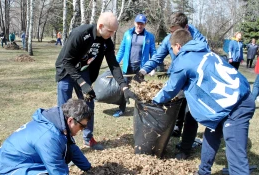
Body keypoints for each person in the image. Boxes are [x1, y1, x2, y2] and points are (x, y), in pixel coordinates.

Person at [153, 29, 255, 175]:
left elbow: (171, 88)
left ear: (178, 46)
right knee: (211, 134)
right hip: (225, 104)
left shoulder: (184, 60)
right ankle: (203, 171)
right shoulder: (206, 52)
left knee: (236, 157)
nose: (173, 52)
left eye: (172, 48)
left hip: (237, 105)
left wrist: (155, 100)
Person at [55, 12, 137, 150]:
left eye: (113, 31)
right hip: (66, 71)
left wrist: (124, 87)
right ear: (100, 26)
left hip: (82, 70)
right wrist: (82, 83)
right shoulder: (80, 34)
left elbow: (113, 64)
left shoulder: (106, 41)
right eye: (110, 31)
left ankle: (88, 138)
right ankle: (62, 140)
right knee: (64, 107)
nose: (112, 34)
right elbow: (67, 62)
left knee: (89, 103)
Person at [134, 12, 209, 159]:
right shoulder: (169, 39)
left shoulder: (199, 40)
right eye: (171, 31)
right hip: (178, 78)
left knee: (190, 113)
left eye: (175, 31)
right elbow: (158, 57)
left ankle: (185, 148)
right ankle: (175, 129)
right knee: (176, 105)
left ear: (186, 27)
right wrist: (143, 71)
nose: (172, 35)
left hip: (194, 82)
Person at [0, 99, 92, 175]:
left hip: (21, 165)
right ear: (70, 120)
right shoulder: (49, 136)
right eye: (82, 126)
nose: (82, 129)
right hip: (6, 170)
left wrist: (89, 169)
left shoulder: (58, 125)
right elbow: (57, 169)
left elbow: (71, 148)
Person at [112, 14, 157, 117]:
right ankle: (121, 109)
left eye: (142, 24)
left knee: (140, 89)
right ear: (134, 23)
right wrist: (114, 64)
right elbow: (122, 50)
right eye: (138, 23)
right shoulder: (128, 34)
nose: (139, 26)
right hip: (128, 66)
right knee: (124, 89)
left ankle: (141, 110)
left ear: (145, 24)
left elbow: (154, 52)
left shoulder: (149, 36)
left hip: (141, 68)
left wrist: (153, 67)